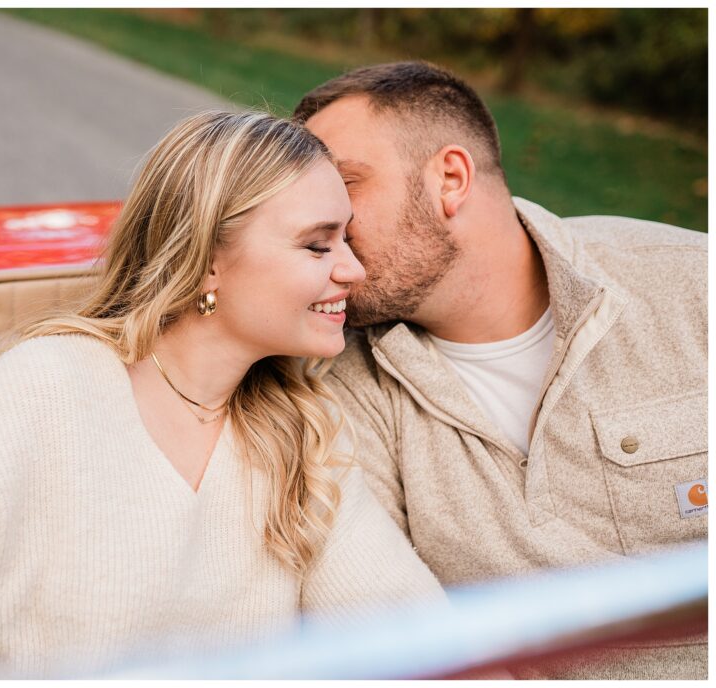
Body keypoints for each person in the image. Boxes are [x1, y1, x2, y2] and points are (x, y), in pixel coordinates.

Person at [0, 111, 447, 679]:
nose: (353, 270)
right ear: (207, 260)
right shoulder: (32, 397)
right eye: (319, 245)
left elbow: (416, 638)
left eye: (347, 241)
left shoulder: (304, 431)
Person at [294, 61, 707, 679]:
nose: (319, 227)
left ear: (451, 179)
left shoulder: (692, 291)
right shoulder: (334, 381)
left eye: (346, 186)